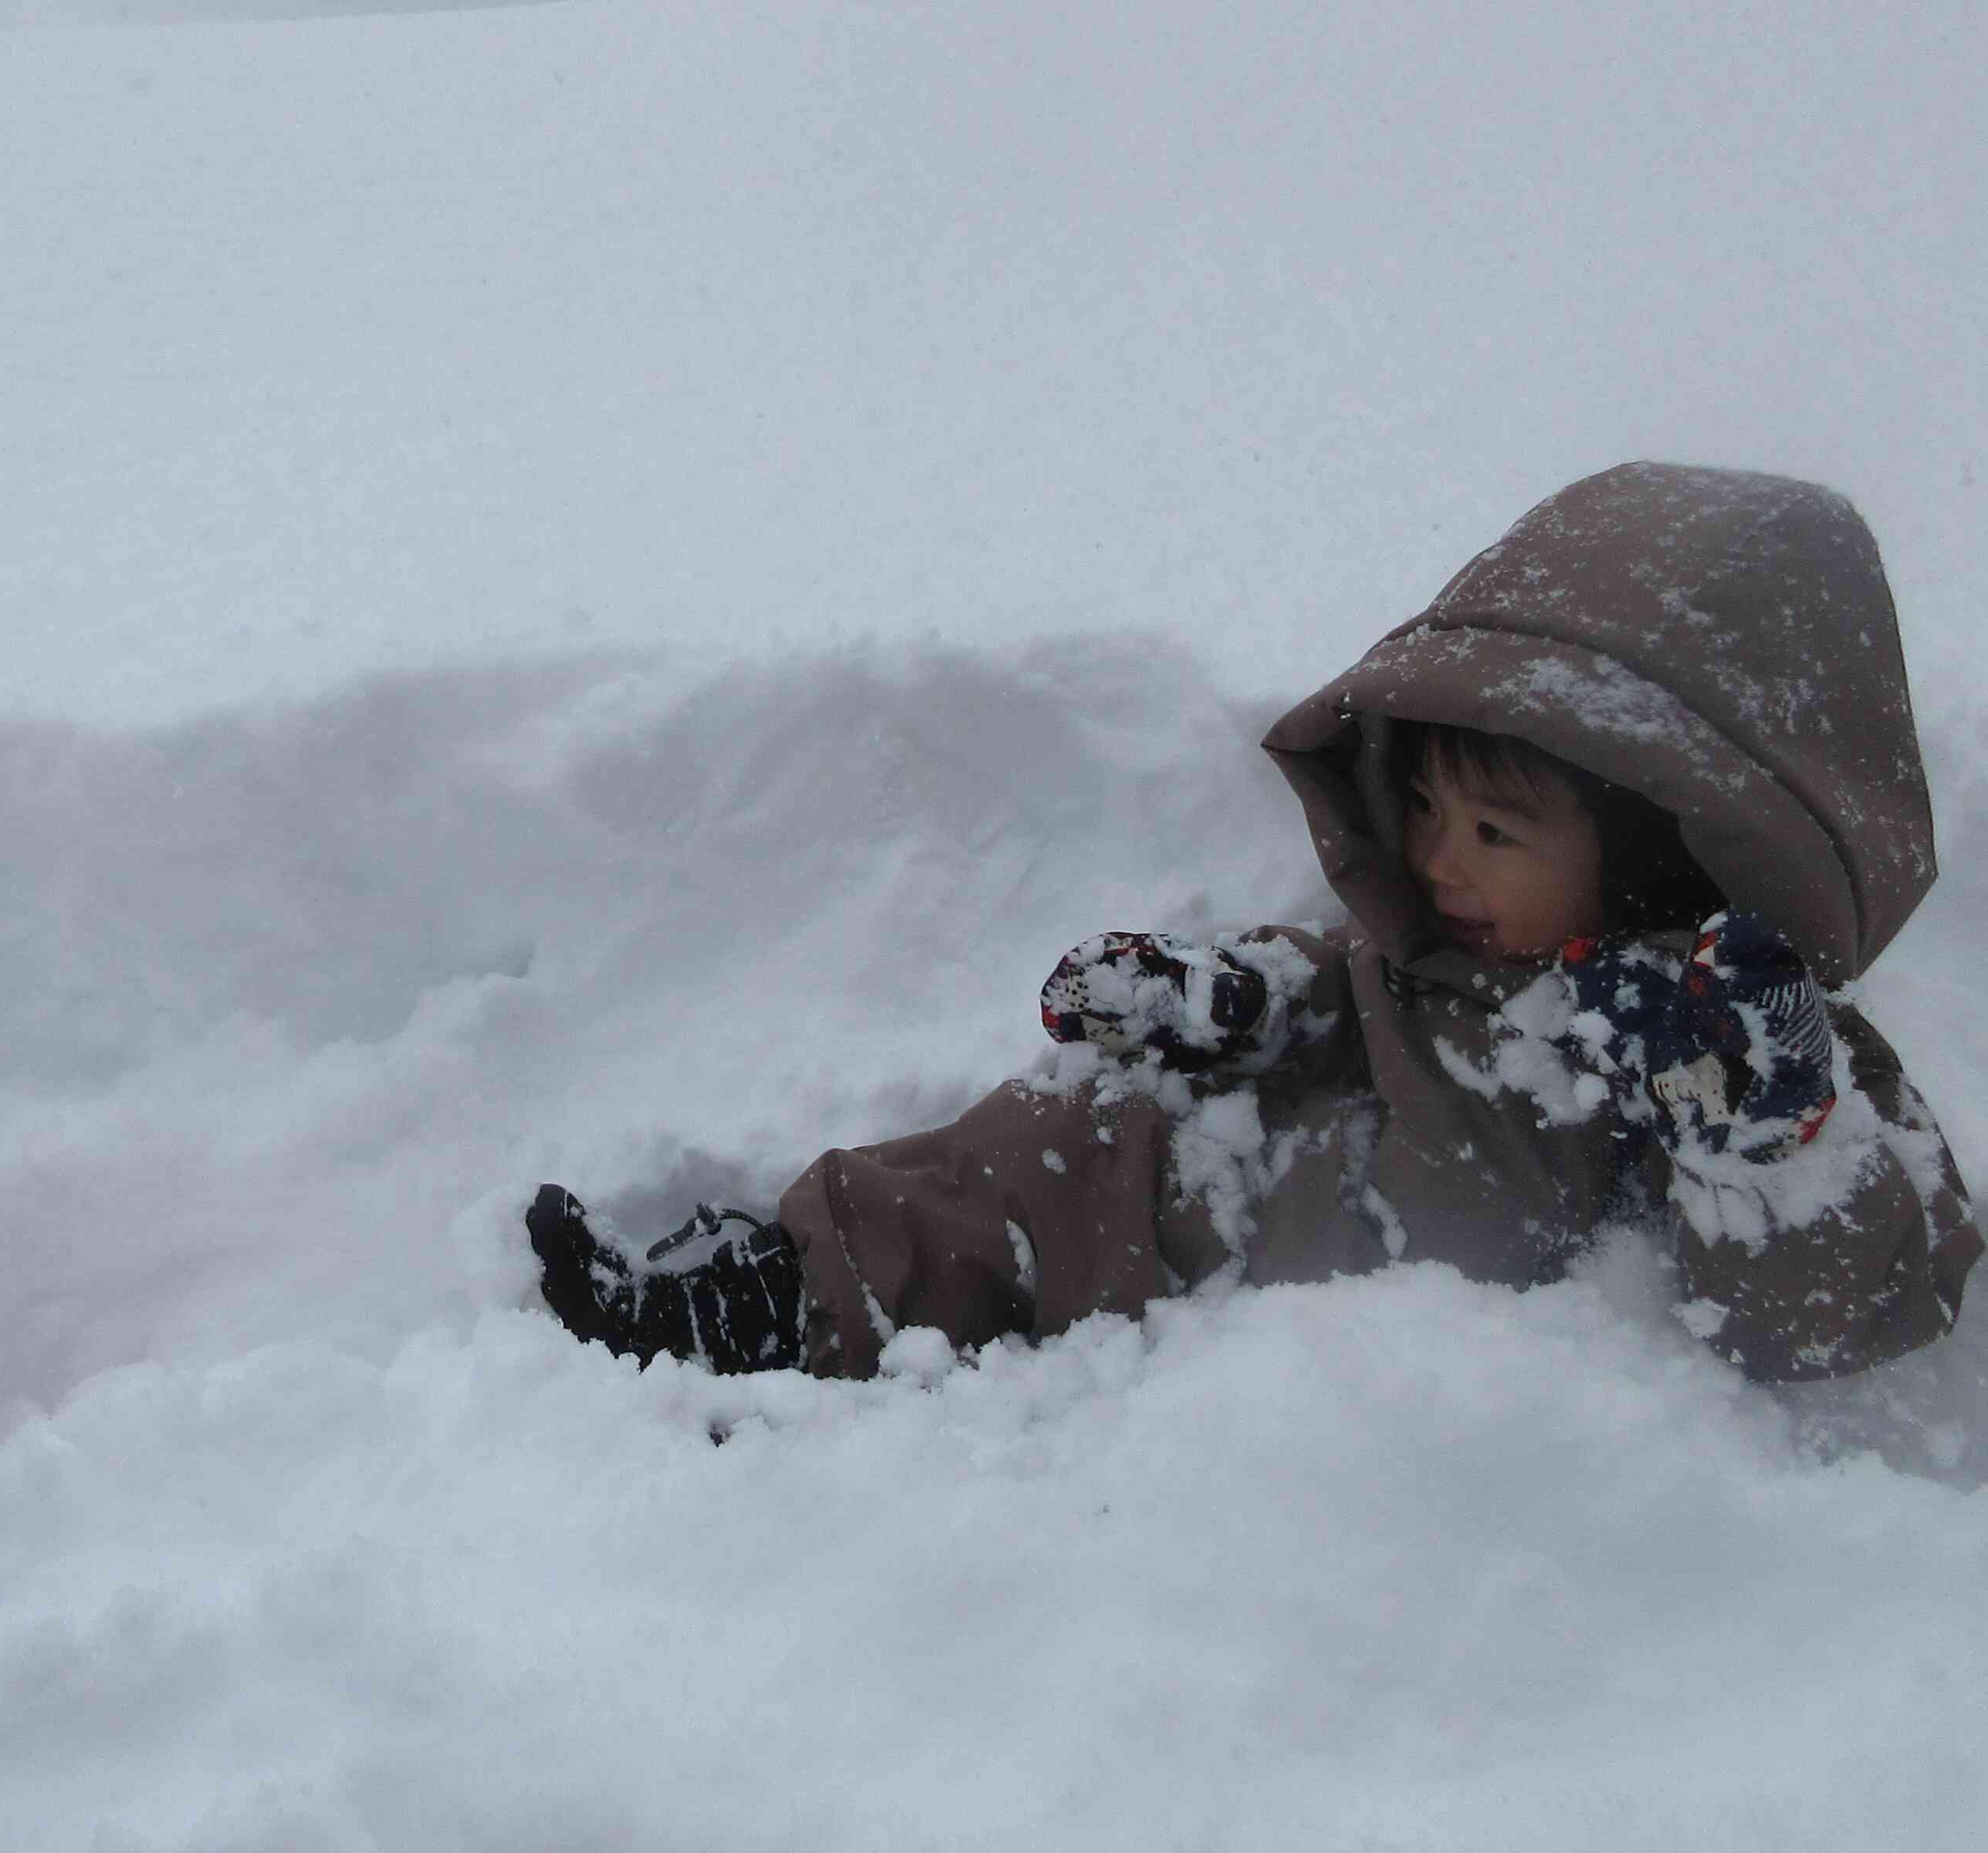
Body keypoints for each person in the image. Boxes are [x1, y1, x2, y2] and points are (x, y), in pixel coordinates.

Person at [529, 462, 1979, 1387]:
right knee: (1056, 1135)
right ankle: (774, 1291)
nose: (1437, 859)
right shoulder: (1449, 940)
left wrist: (1770, 1148)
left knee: (1067, 1187)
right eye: (1424, 808)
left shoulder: (1748, 1050)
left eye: (1495, 833)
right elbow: (1349, 981)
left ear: (1665, 841)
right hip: (1212, 1215)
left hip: (1353, 1372)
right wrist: (1235, 995)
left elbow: (1838, 1311)